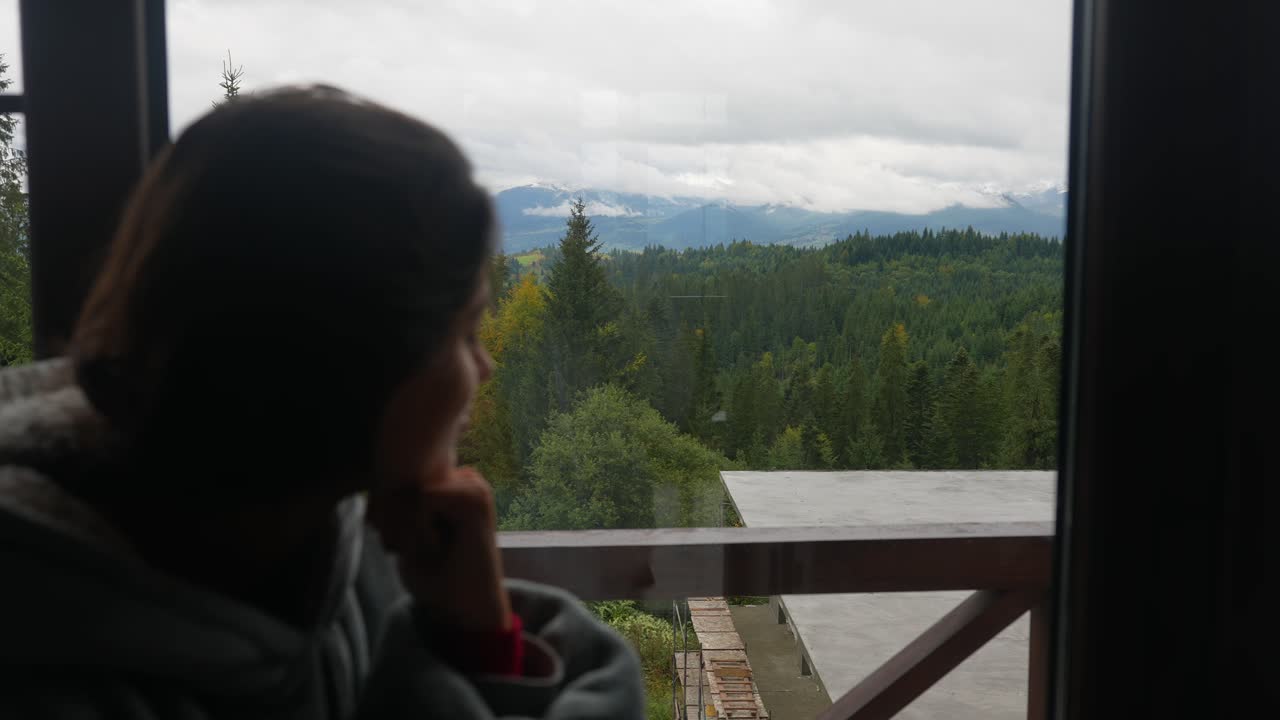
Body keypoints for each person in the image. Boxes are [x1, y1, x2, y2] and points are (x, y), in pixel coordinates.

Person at [0, 86, 644, 719]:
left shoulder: (323, 539)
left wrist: (475, 628)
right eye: (465, 332)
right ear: (350, 364)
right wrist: (473, 649)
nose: (485, 365)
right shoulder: (51, 680)